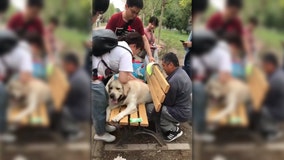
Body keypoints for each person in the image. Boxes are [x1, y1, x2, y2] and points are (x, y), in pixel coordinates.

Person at [92, 31, 144, 142]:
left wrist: (135, 80)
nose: (136, 54)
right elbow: (123, 79)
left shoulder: (120, 45)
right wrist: (133, 80)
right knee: (99, 104)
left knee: (102, 102)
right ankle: (100, 134)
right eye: (138, 51)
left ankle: (103, 127)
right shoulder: (127, 53)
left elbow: (124, 72)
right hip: (92, 75)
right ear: (134, 46)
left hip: (93, 70)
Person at [147, 52, 192, 142]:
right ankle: (173, 121)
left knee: (151, 108)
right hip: (185, 108)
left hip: (181, 113)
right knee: (154, 106)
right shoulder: (180, 72)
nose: (163, 68)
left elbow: (167, 103)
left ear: (171, 65)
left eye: (164, 65)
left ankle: (173, 130)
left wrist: (154, 98)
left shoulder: (174, 81)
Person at [0, 30, 33, 142]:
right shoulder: (22, 52)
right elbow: (24, 78)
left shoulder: (22, 53)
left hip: (6, 79)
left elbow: (25, 78)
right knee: (3, 93)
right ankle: (1, 132)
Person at [258, 53, 284, 140]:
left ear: (271, 65)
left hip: (279, 110)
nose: (263, 68)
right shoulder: (274, 73)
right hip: (276, 104)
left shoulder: (276, 79)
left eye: (264, 65)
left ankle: (272, 131)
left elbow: (266, 99)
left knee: (259, 109)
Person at [62, 53, 90, 122]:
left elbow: (65, 99)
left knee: (58, 109)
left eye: (65, 65)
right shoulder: (80, 72)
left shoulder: (76, 80)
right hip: (85, 107)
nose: (64, 68)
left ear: (71, 65)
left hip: (81, 113)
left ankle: (71, 129)